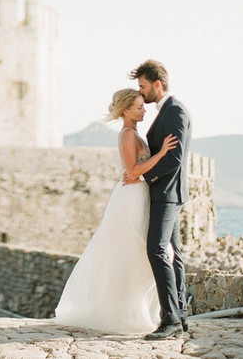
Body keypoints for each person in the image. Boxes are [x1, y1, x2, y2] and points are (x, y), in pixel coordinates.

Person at [54, 88, 177, 334]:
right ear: (126, 110)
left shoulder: (134, 133)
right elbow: (132, 172)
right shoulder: (128, 134)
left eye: (144, 105)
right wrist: (162, 153)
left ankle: (140, 311)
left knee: (142, 254)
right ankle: (123, 311)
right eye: (140, 107)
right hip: (131, 199)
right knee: (132, 253)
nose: (144, 110)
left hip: (137, 196)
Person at [127, 59, 192, 340]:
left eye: (142, 87)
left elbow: (174, 160)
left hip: (167, 193)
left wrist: (144, 177)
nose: (140, 94)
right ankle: (179, 315)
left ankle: (170, 319)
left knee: (156, 250)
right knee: (173, 254)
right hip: (167, 192)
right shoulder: (166, 111)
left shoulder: (176, 111)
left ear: (157, 84)